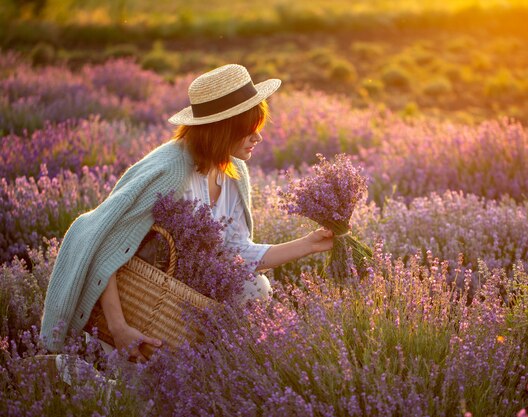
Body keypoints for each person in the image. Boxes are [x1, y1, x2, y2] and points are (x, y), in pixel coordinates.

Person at [40, 64, 334, 362]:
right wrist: (119, 328)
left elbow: (236, 253)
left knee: (255, 287)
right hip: (138, 302)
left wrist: (309, 244)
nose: (258, 138)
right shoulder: (170, 171)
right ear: (221, 129)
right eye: (249, 129)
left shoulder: (234, 172)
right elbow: (107, 246)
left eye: (259, 127)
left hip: (179, 302)